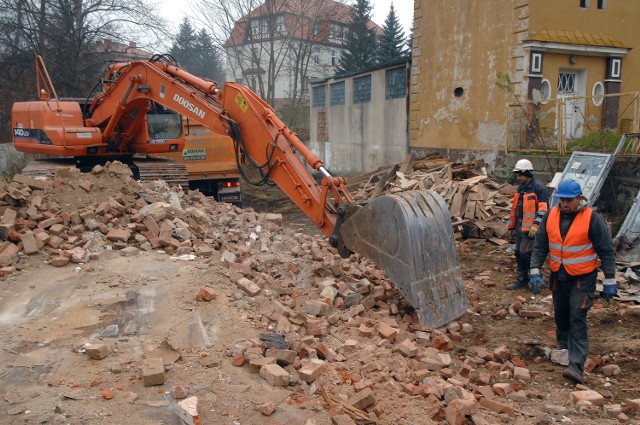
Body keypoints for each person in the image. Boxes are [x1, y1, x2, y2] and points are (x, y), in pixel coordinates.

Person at [529, 179, 617, 384]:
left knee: (577, 317)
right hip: (559, 276)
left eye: (570, 200)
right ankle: (564, 350)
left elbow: (606, 251)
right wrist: (534, 271)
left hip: (583, 278)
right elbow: (541, 244)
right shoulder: (551, 215)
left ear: (579, 198)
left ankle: (576, 366)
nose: (566, 204)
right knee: (561, 314)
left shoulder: (592, 219)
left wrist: (610, 280)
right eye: (562, 200)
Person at [506, 159, 549, 290]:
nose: (518, 178)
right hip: (520, 227)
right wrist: (511, 227)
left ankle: (535, 279)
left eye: (520, 175)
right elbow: (516, 209)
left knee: (528, 254)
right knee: (519, 253)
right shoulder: (521, 188)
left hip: (531, 229)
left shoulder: (538, 188)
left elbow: (543, 210)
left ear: (527, 174)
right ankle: (521, 280)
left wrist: (536, 226)